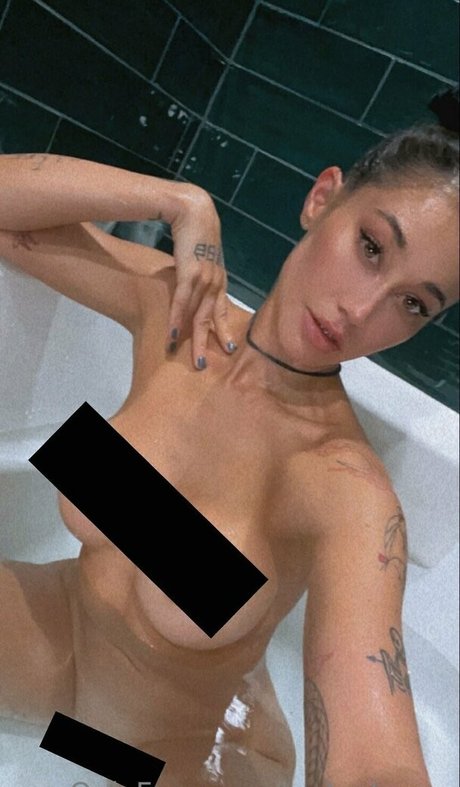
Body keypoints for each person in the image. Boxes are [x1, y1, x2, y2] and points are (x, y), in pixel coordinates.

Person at [0, 116, 458, 787]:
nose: (362, 310)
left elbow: (371, 761)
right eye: (371, 247)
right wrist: (179, 200)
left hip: (168, 751)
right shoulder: (179, 313)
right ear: (322, 198)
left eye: (413, 303)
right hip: (61, 645)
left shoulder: (345, 489)